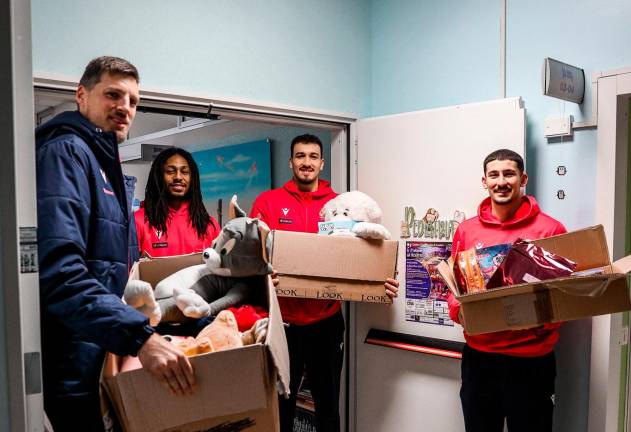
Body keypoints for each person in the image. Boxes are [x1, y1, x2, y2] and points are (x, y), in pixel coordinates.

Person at [36, 56, 195, 432]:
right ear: (82, 95)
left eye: (133, 101)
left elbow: (106, 273)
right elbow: (61, 274)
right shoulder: (66, 154)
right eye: (113, 94)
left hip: (96, 358)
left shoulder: (102, 164)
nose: (125, 107)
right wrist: (141, 339)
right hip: (70, 368)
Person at [250, 134, 399, 432]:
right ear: (291, 162)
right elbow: (253, 253)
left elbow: (363, 252)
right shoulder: (268, 202)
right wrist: (262, 275)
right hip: (283, 324)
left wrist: (380, 281)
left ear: (322, 162)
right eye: (300, 156)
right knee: (280, 405)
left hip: (326, 322)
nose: (307, 162)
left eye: (313, 156)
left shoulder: (341, 205)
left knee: (328, 405)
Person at [447, 149, 567, 432]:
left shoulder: (550, 230)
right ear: (484, 181)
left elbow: (564, 295)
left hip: (532, 362)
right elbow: (453, 286)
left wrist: (544, 319)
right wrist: (458, 312)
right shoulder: (466, 230)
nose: (501, 181)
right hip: (480, 359)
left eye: (509, 173)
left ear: (523, 178)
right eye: (494, 175)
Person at [135, 147, 220, 257]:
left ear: (192, 178)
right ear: (159, 176)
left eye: (185, 172)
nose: (178, 177)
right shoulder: (139, 221)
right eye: (170, 171)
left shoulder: (208, 225)